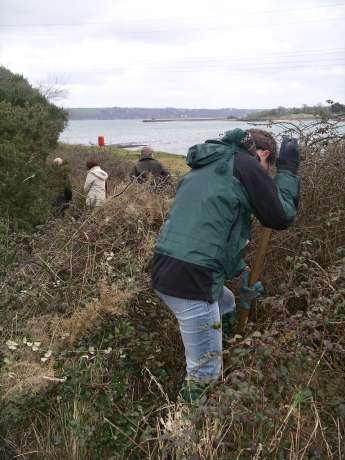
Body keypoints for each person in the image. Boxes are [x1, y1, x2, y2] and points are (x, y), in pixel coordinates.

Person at [151, 128, 300, 402]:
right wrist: (288, 171)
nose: (266, 178)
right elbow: (280, 216)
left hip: (165, 268)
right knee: (204, 371)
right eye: (269, 170)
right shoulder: (245, 164)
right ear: (263, 155)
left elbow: (214, 234)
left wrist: (241, 272)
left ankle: (227, 349)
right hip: (193, 279)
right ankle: (185, 435)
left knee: (227, 302)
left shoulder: (208, 165)